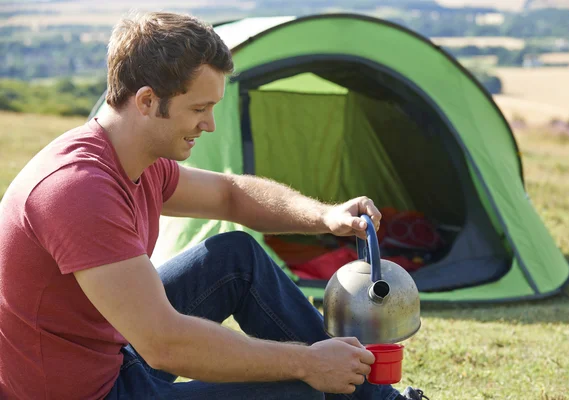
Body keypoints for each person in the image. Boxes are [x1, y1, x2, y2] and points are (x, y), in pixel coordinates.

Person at [0, 11, 428, 400]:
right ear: (147, 101)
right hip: (87, 392)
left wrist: (325, 216)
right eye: (199, 108)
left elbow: (230, 195)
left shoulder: (133, 158)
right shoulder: (78, 189)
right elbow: (163, 343)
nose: (209, 124)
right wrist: (308, 363)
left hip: (112, 354)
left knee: (236, 258)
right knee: (300, 392)